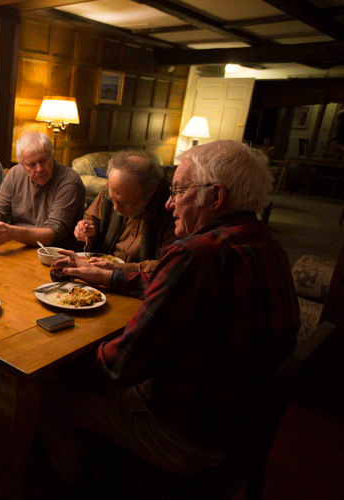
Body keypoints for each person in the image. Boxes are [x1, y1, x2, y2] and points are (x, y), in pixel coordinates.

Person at [39, 140, 300, 491]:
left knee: (41, 390)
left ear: (216, 196)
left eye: (178, 190)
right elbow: (181, 287)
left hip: (184, 439)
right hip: (240, 428)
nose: (168, 202)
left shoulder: (193, 256)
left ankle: (89, 486)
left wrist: (56, 363)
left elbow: (119, 368)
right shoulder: (266, 244)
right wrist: (110, 276)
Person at [0, 131, 85, 249]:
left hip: (56, 255)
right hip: (20, 248)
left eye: (44, 161)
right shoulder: (16, 173)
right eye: (31, 164)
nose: (39, 169)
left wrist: (12, 233)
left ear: (52, 155)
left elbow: (54, 234)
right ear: (22, 164)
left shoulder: (69, 181)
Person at [74, 150, 176, 272]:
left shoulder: (172, 207)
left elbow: (166, 264)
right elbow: (91, 217)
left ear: (150, 192)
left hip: (140, 283)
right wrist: (87, 228)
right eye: (112, 199)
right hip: (100, 270)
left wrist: (118, 268)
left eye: (124, 203)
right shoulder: (114, 188)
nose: (115, 207)